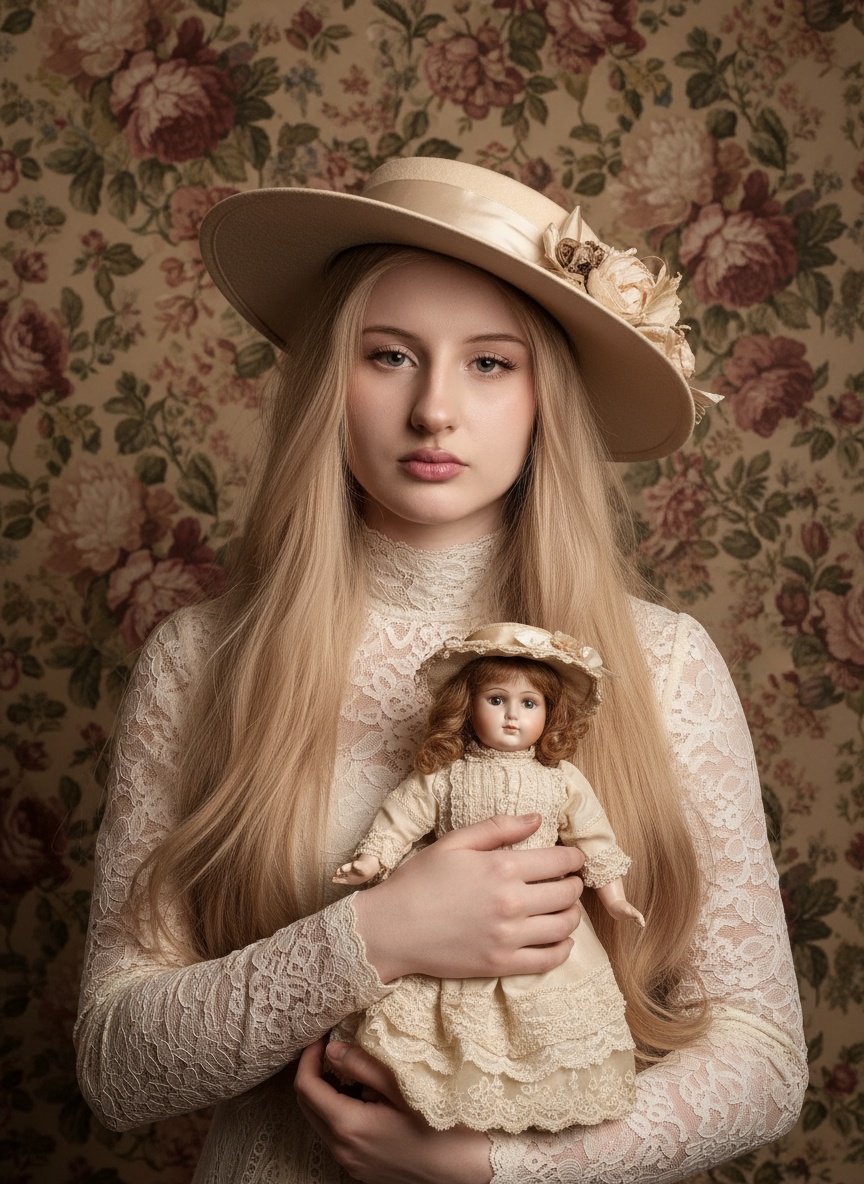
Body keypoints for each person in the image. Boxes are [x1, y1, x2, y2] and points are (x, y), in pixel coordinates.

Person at [75, 157, 807, 1184]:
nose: (434, 410)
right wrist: (377, 929)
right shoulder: (203, 659)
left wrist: (495, 1167)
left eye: (491, 363)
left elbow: (764, 1060)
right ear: (333, 378)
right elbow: (117, 1067)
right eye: (389, 355)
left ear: (545, 395)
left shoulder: (665, 663)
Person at [332, 624, 645, 1135]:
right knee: (447, 1033)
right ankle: (445, 1107)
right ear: (467, 706)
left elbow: (593, 836)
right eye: (496, 699)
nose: (512, 716)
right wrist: (372, 859)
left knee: (539, 1029)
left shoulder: (559, 778)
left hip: (540, 923)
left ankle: (518, 1121)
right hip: (447, 922)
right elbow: (403, 814)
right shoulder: (445, 772)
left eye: (529, 704)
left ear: (550, 714)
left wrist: (613, 897)